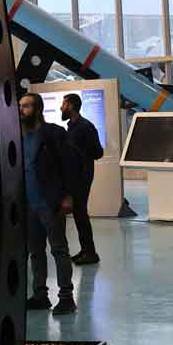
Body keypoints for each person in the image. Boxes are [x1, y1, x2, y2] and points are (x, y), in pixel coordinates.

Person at [19, 92, 78, 316]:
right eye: (20, 106)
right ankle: (40, 295)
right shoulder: (18, 136)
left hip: (50, 203)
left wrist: (68, 196)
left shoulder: (54, 133)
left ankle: (66, 298)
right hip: (29, 204)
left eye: (26, 106)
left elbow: (69, 166)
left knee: (59, 249)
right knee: (35, 251)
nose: (21, 110)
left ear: (37, 109)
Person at [60, 93, 104, 266]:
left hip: (82, 176)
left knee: (80, 213)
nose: (61, 108)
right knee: (79, 214)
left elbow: (98, 153)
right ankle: (86, 250)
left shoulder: (85, 127)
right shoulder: (72, 126)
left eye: (64, 104)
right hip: (75, 176)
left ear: (71, 106)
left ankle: (90, 252)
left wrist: (80, 152)